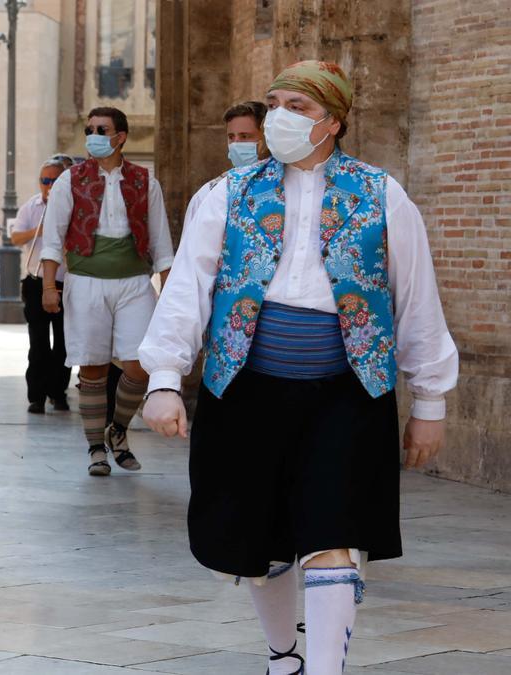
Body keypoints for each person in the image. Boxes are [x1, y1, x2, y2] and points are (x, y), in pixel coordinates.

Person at [140, 61, 458, 675]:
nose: (279, 116)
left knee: (333, 531)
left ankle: (323, 669)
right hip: (245, 388)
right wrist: (163, 382)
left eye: (299, 106)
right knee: (257, 541)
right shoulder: (225, 194)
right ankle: (283, 654)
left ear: (333, 122)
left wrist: (429, 403)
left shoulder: (382, 194)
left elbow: (416, 299)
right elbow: (188, 289)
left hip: (346, 390)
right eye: (274, 103)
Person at [39, 106, 174, 476]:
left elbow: (162, 244)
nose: (94, 135)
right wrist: (50, 285)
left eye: (102, 129)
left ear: (121, 137)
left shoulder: (146, 182)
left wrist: (171, 295)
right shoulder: (70, 180)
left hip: (134, 281)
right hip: (85, 282)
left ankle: (118, 429)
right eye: (89, 129)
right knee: (93, 366)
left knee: (140, 364)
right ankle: (96, 447)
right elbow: (52, 238)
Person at [11, 158, 71, 413]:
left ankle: (58, 393)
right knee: (38, 343)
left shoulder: (72, 207)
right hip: (35, 281)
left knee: (63, 342)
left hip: (64, 282)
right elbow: (15, 237)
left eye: (53, 180)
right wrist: (41, 228)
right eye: (44, 180)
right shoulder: (31, 206)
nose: (48, 185)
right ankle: (36, 395)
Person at [182, 101, 270, 239]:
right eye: (231, 137)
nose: (236, 143)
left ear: (265, 138)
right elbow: (190, 252)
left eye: (245, 136)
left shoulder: (283, 187)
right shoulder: (209, 193)